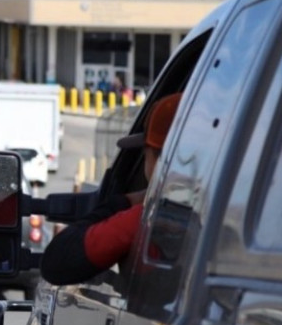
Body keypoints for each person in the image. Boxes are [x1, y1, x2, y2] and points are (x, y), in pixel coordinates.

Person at [40, 92, 181, 285]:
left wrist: (122, 202)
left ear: (158, 161)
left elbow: (56, 262)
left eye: (145, 154)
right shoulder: (219, 215)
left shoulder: (145, 221)